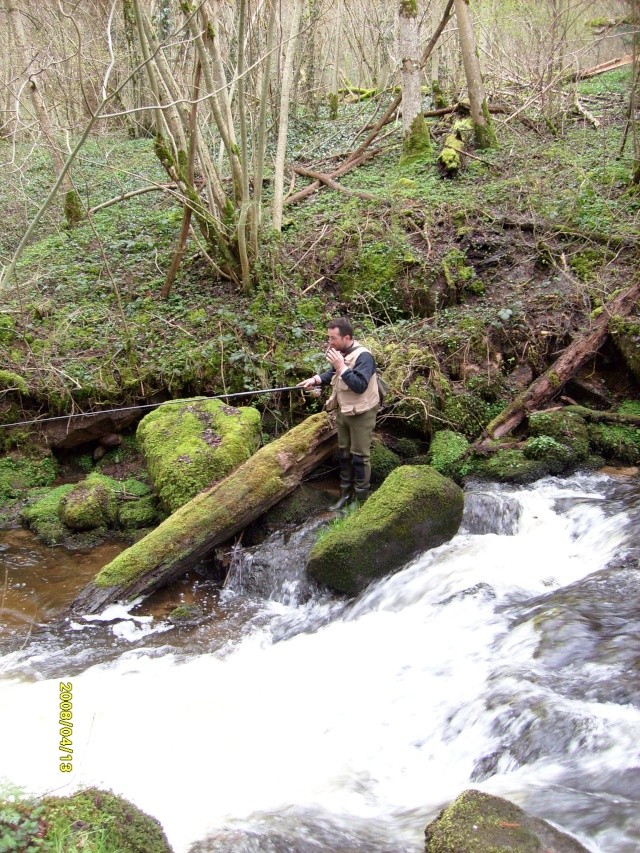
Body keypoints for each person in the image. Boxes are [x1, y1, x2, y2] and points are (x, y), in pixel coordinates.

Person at [299, 317, 379, 509]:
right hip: (344, 410)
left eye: (333, 338)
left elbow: (359, 385)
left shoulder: (364, 357)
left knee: (360, 456)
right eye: (329, 338)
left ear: (346, 338)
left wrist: (341, 367)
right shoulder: (342, 352)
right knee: (344, 454)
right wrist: (316, 379)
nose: (330, 343)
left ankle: (360, 500)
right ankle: (345, 494)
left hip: (362, 413)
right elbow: (334, 375)